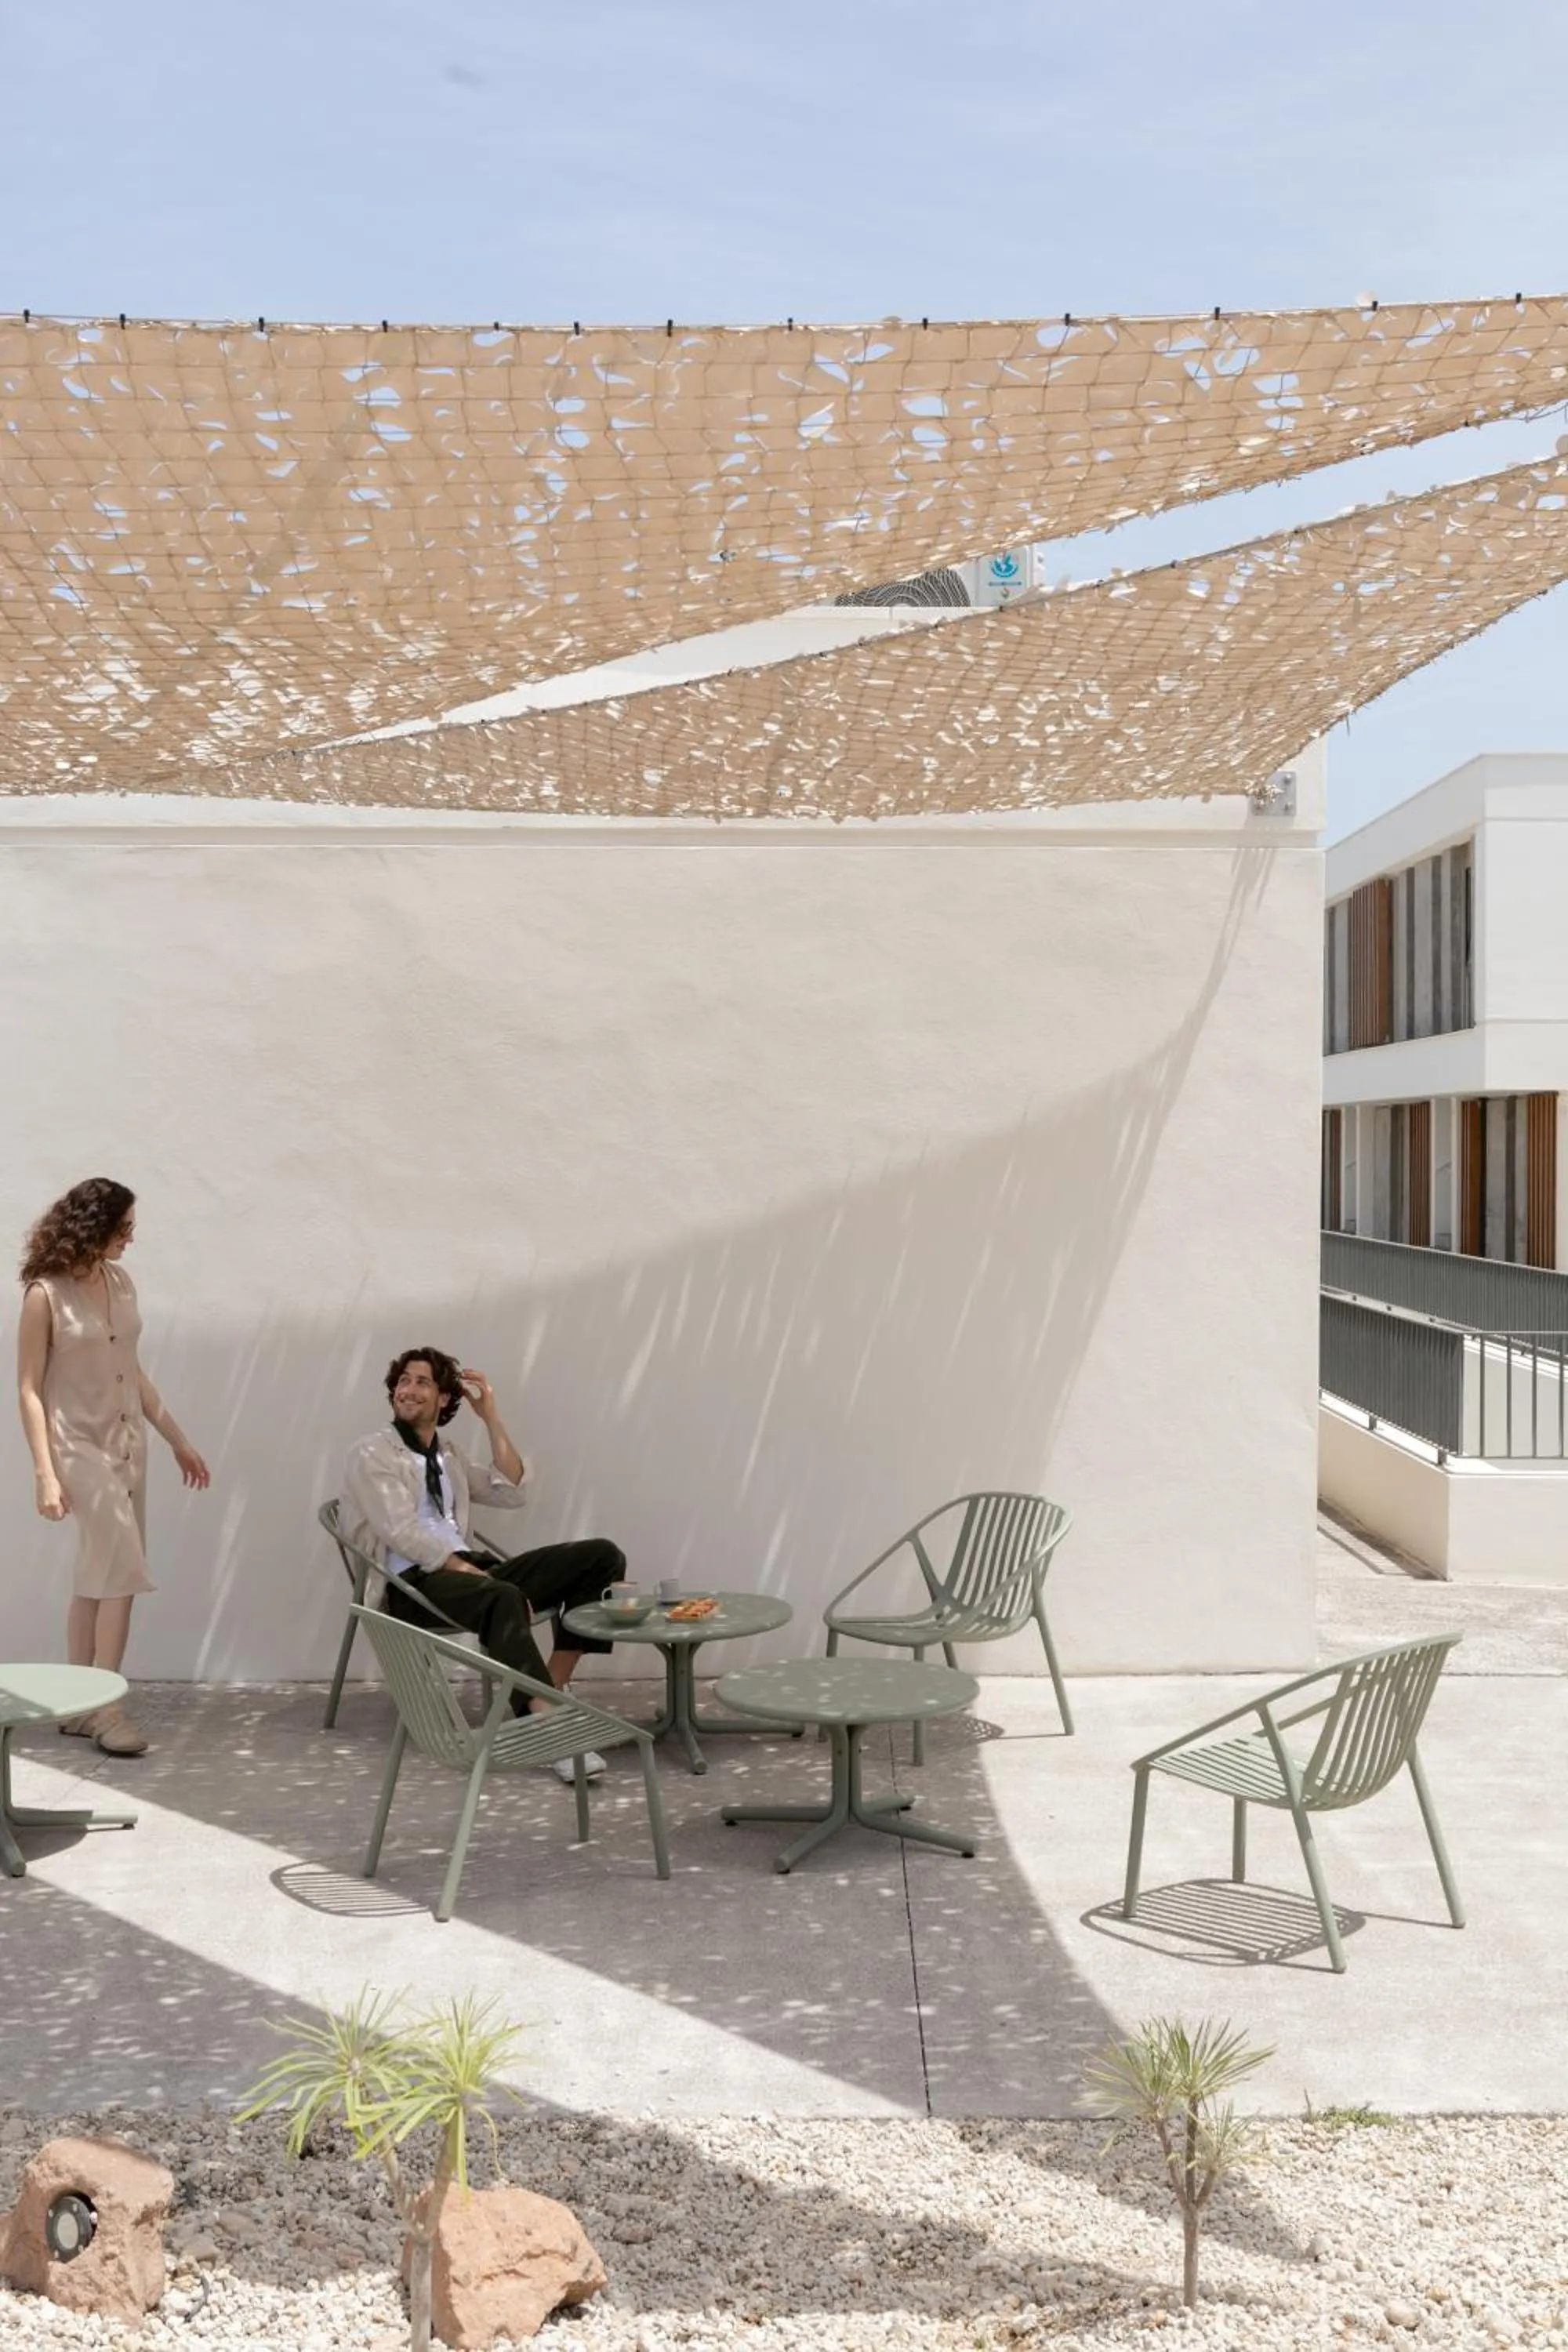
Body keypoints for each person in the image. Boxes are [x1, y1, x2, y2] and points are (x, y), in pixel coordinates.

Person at [339, 1346, 625, 1781]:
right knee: (502, 1596)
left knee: (601, 1557)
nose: (408, 1390)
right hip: (415, 1584)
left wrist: (491, 1416)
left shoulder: (447, 1455)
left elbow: (510, 1490)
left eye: (422, 1382)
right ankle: (548, 1729)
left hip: (471, 1572)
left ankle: (548, 1685)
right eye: (403, 1381)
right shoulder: (372, 1453)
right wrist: (469, 1571)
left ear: (444, 1399)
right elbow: (401, 1533)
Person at [16, 1178, 211, 1757]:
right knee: (122, 1570)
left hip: (129, 1448)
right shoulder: (43, 1295)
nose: (131, 1237)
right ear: (92, 1225)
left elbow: (135, 1371)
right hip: (76, 1447)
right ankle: (107, 1709)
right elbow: (27, 1389)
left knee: (97, 1574)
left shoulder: (121, 1284)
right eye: (122, 1227)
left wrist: (177, 1439)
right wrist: (44, 1474)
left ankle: (76, 1705)